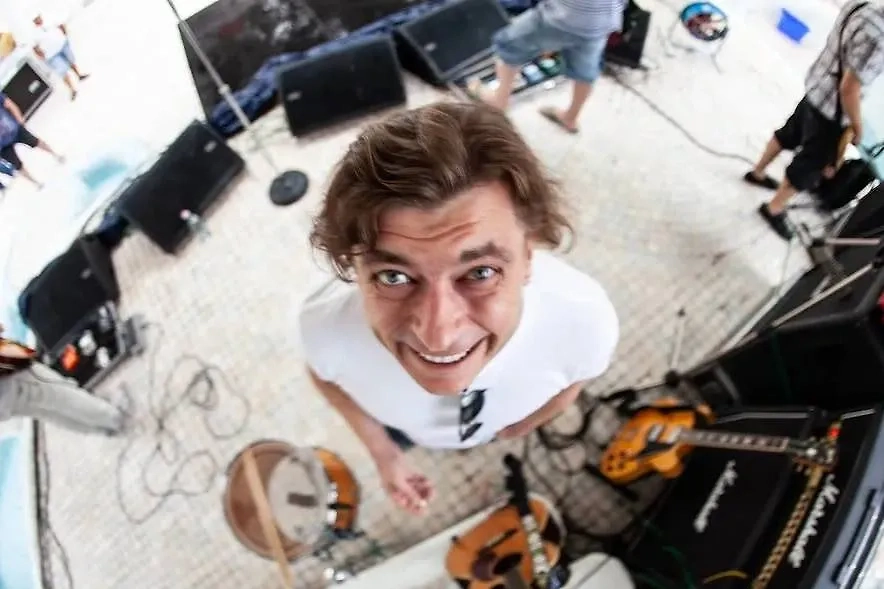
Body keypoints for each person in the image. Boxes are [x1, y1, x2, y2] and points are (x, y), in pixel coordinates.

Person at [299, 102, 619, 514]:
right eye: (393, 276)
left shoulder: (586, 322)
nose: (438, 336)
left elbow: (581, 374)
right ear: (354, 269)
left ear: (529, 254)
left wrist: (532, 419)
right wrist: (384, 452)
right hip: (409, 429)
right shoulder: (325, 329)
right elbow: (323, 374)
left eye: (480, 272)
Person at [745, 0, 884, 239]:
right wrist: (857, 125)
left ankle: (757, 173)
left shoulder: (863, 4)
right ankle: (773, 208)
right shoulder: (879, 36)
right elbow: (849, 88)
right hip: (832, 111)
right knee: (809, 166)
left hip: (817, 86)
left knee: (788, 134)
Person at [469, 0, 626, 133]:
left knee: (507, 44)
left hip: (562, 17)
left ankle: (499, 102)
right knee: (586, 72)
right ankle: (570, 118)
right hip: (601, 24)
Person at [0, 323, 126, 435]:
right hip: (11, 375)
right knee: (62, 394)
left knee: (47, 412)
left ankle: (102, 429)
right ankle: (113, 417)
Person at [0, 93, 65, 188]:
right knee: (17, 165)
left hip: (14, 129)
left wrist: (20, 120)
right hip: (3, 145)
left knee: (35, 142)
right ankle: (36, 182)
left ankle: (56, 155)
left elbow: (10, 104)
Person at [32, 13, 90, 100]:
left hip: (62, 45)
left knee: (71, 60)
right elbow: (34, 47)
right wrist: (41, 56)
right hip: (52, 55)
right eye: (35, 19)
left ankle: (79, 75)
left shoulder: (50, 19)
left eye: (38, 17)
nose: (38, 20)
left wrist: (65, 34)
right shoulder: (34, 33)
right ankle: (72, 89)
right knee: (62, 71)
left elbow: (61, 25)